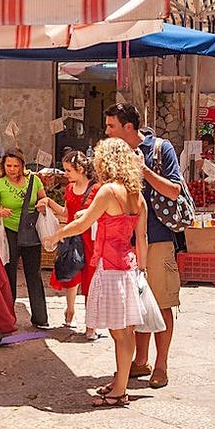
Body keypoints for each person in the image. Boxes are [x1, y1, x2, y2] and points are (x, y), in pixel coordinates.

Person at [43, 137, 149, 408]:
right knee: (125, 331)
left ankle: (119, 391)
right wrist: (142, 272)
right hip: (128, 266)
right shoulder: (137, 195)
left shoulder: (108, 191)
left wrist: (55, 236)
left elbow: (82, 225)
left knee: (119, 332)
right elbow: (142, 237)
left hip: (111, 268)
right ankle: (120, 384)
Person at [104, 102, 181, 389]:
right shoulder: (113, 155)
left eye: (111, 126)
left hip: (158, 239)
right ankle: (140, 361)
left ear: (128, 127)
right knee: (134, 306)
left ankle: (161, 365)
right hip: (124, 243)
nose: (107, 131)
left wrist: (143, 170)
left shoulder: (161, 149)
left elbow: (174, 191)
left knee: (161, 304)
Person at [37, 150, 99, 338]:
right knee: (70, 273)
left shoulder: (96, 189)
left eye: (68, 170)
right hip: (72, 237)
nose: (66, 174)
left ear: (80, 169)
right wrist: (48, 202)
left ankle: (91, 324)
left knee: (90, 280)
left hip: (90, 238)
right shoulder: (70, 189)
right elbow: (66, 212)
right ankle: (70, 310)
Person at [0, 149, 49, 329]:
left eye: (15, 166)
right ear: (3, 166)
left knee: (33, 274)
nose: (12, 169)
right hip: (9, 233)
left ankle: (40, 317)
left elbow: (44, 199)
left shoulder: (34, 181)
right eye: (8, 166)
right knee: (9, 274)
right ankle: (7, 318)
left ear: (22, 165)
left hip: (31, 232)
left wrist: (41, 204)